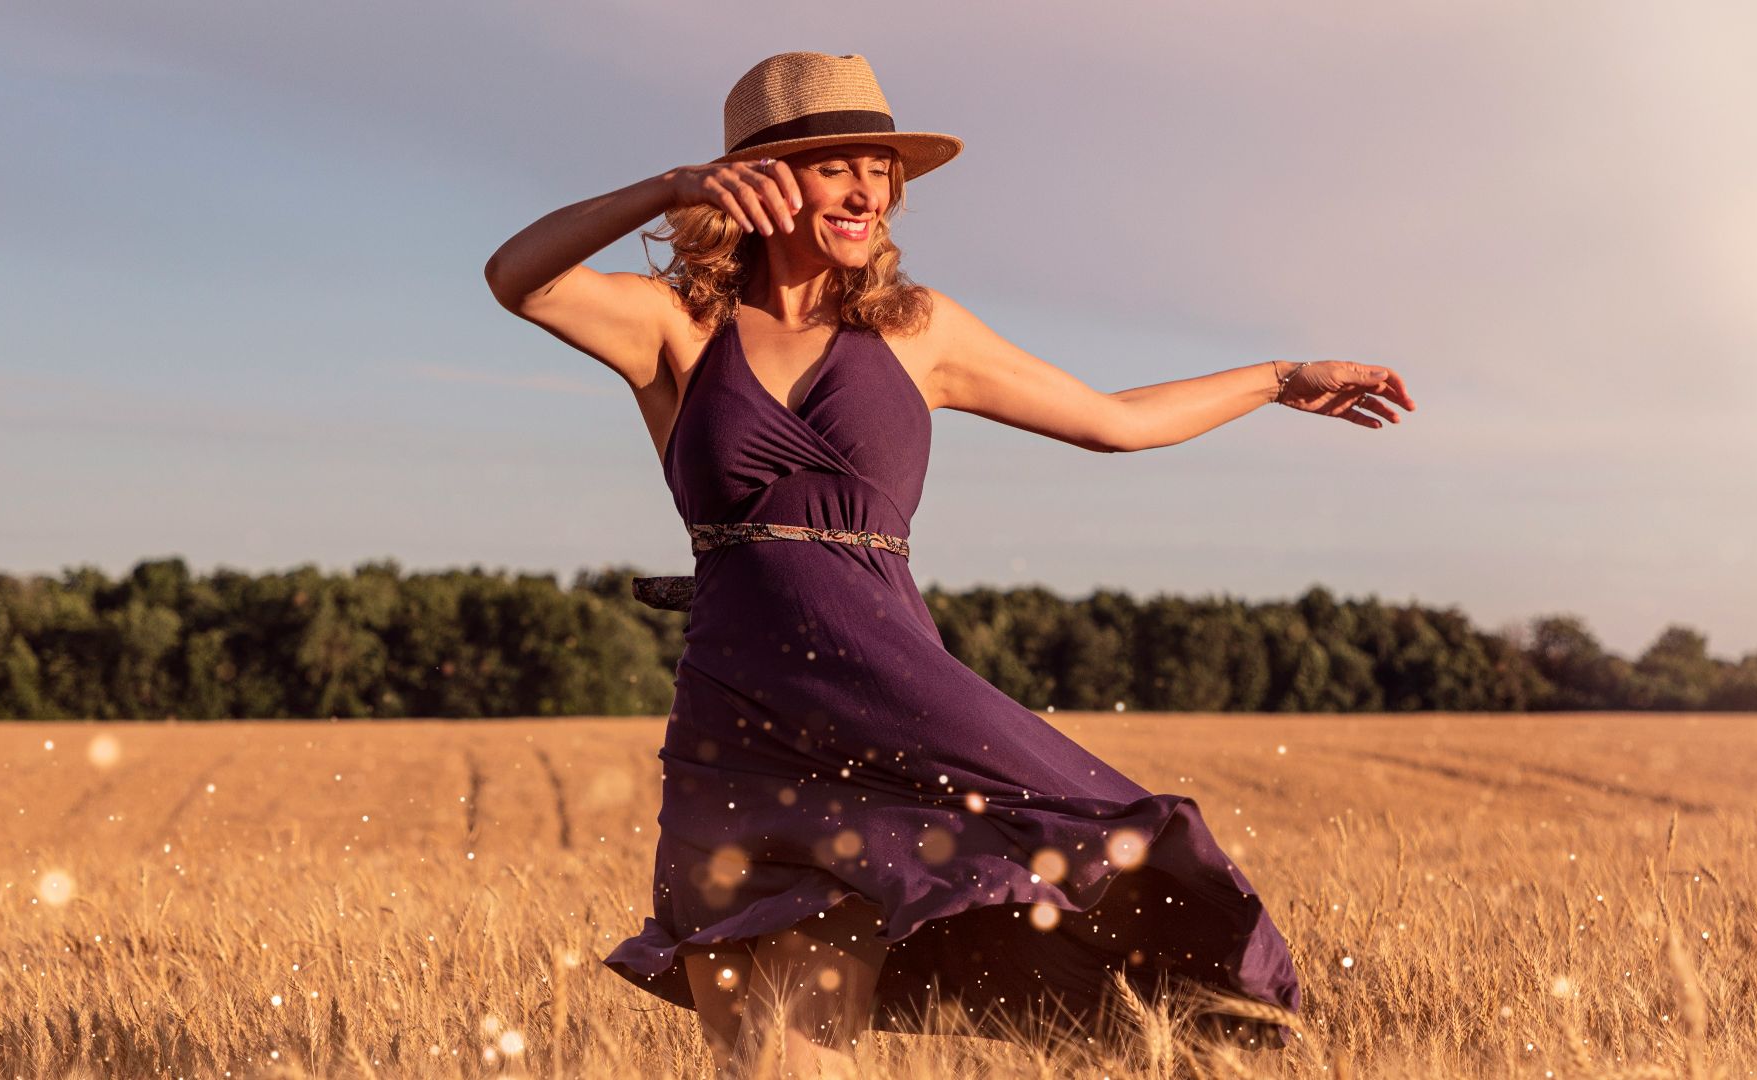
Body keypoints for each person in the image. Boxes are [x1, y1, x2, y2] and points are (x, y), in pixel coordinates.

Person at [486, 50, 1414, 1080]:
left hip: (898, 708)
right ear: (758, 180)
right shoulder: (678, 328)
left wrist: (1280, 377)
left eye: (880, 168)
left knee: (1103, 853)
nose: (868, 190)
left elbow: (1116, 422)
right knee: (769, 1062)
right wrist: (667, 188)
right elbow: (516, 277)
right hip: (741, 727)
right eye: (834, 163)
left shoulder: (917, 331)